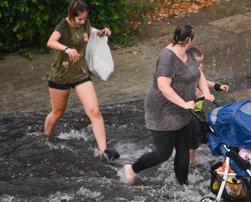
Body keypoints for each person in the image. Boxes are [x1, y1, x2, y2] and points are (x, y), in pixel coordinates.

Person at [123, 25, 214, 185]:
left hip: (183, 110)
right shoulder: (167, 58)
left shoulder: (188, 53)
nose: (195, 41)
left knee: (183, 150)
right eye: (193, 38)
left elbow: (198, 73)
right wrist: (184, 103)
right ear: (188, 40)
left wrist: (206, 92)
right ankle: (131, 168)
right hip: (162, 111)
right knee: (162, 153)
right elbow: (163, 87)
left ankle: (182, 185)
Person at [45, 0, 119, 161]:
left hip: (81, 73)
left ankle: (104, 151)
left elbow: (92, 32)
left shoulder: (85, 23)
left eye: (85, 19)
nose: (83, 22)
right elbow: (50, 42)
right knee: (57, 113)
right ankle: (45, 138)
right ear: (72, 16)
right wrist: (67, 49)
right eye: (80, 19)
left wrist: (102, 32)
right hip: (61, 76)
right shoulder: (62, 26)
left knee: (94, 111)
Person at [189, 47, 229, 166]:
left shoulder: (197, 73)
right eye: (197, 63)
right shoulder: (185, 76)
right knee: (192, 139)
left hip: (198, 110)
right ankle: (190, 162)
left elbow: (204, 82)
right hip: (188, 112)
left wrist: (217, 86)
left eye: (201, 63)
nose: (200, 66)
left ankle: (188, 152)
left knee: (202, 136)